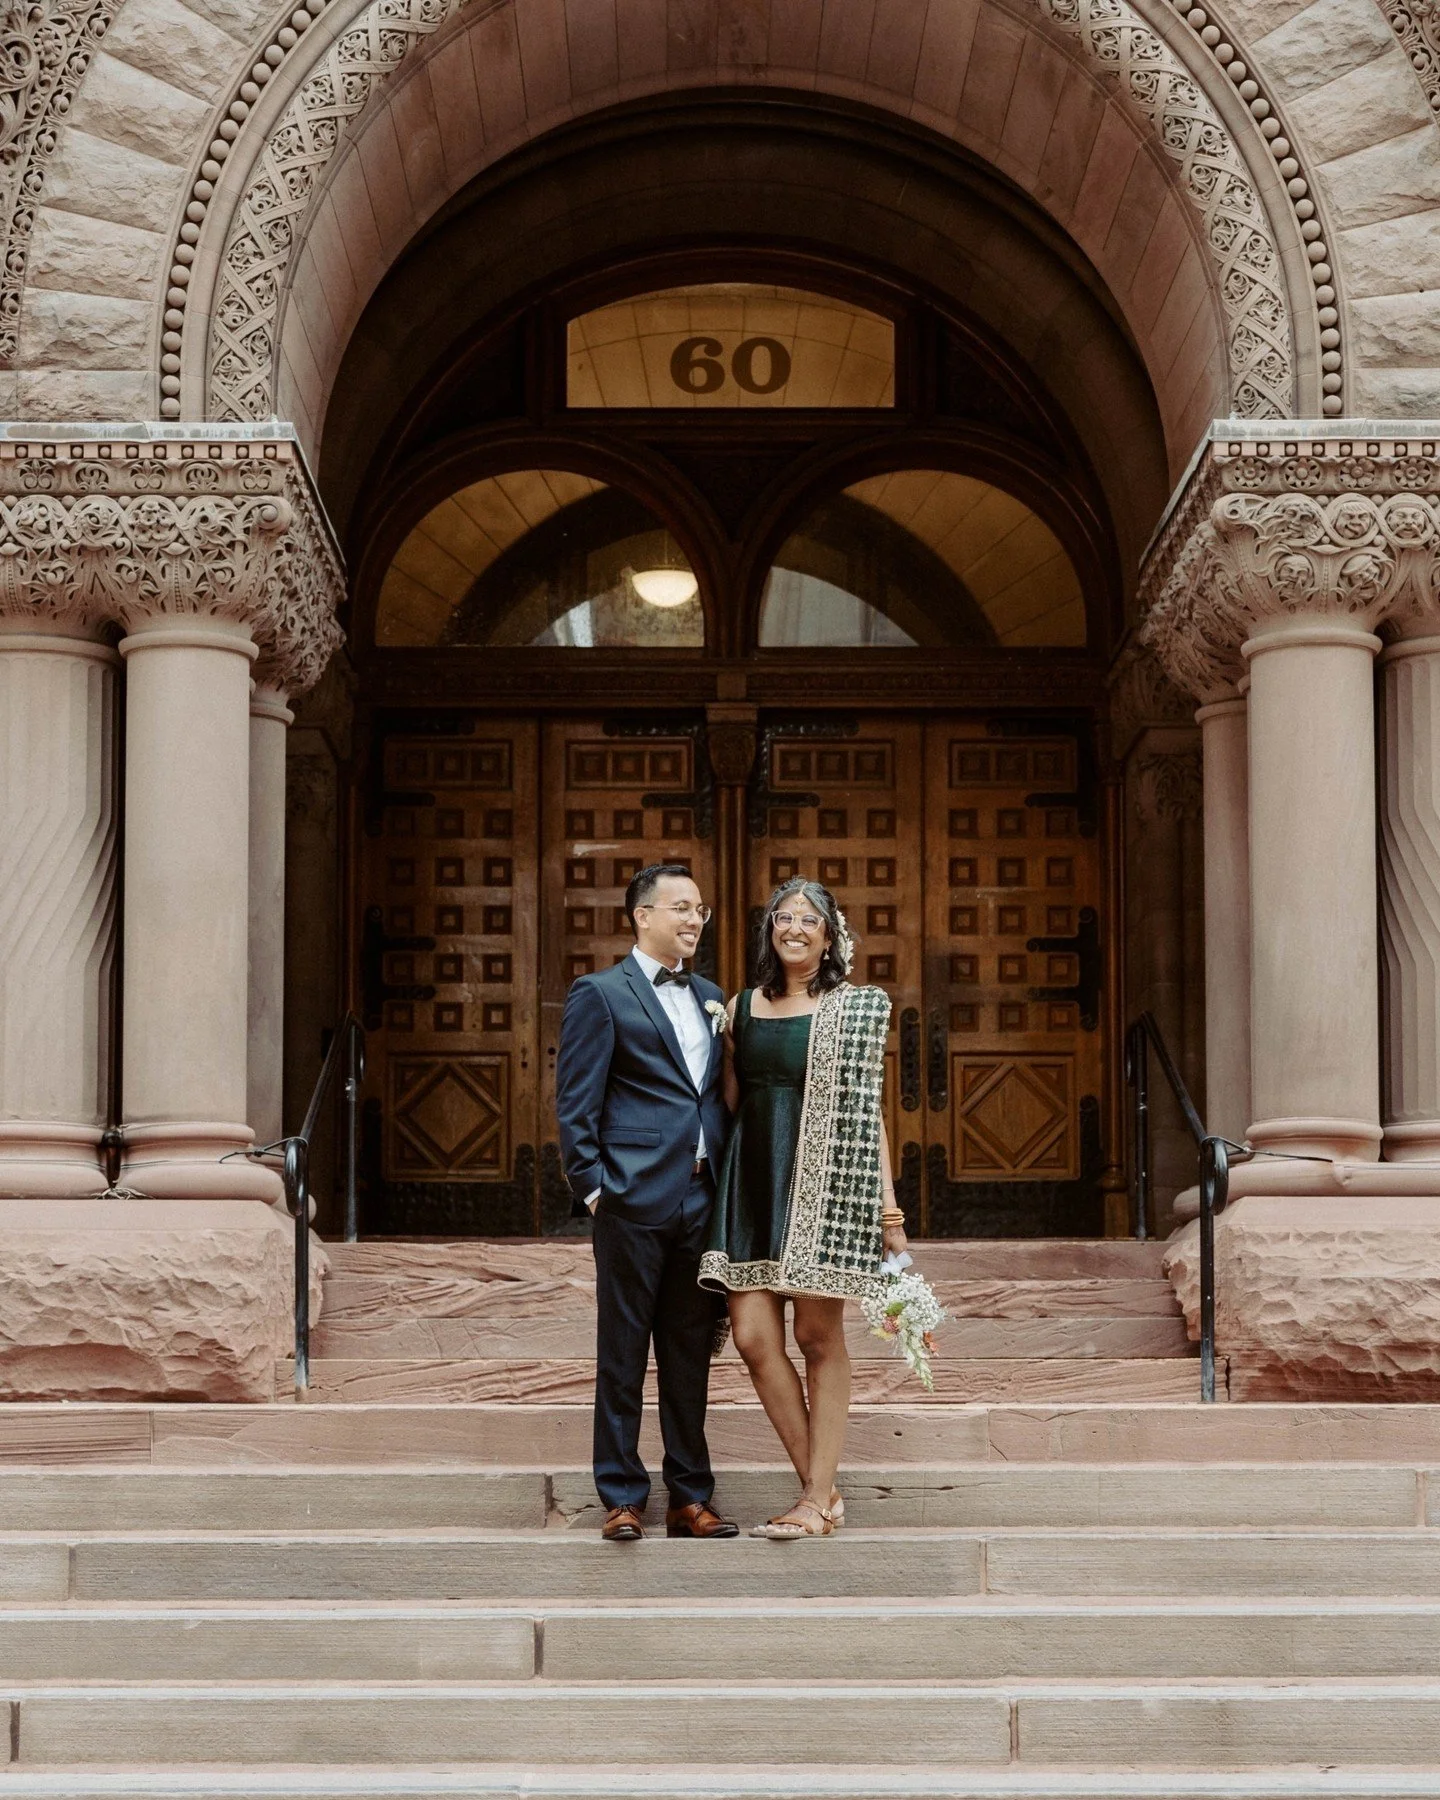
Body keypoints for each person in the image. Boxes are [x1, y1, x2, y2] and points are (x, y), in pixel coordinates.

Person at [700, 877, 907, 1539]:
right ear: (770, 932)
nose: (793, 927)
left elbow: (869, 1117)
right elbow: (728, 1103)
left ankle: (816, 1498)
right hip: (751, 1183)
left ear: (828, 935)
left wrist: (890, 1215)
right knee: (753, 1338)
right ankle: (822, 1493)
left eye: (808, 919)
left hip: (824, 1190)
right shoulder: (741, 1008)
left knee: (818, 1339)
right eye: (782, 918)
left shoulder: (854, 1009)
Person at [556, 862, 739, 1543]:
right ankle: (623, 1496)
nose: (695, 920)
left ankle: (691, 1498)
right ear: (642, 915)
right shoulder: (600, 994)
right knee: (624, 1352)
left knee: (690, 1353)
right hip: (632, 1199)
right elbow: (576, 1104)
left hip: (701, 1198)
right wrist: (598, 1189)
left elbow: (713, 1096)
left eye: (701, 911)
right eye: (682, 908)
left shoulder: (713, 996)